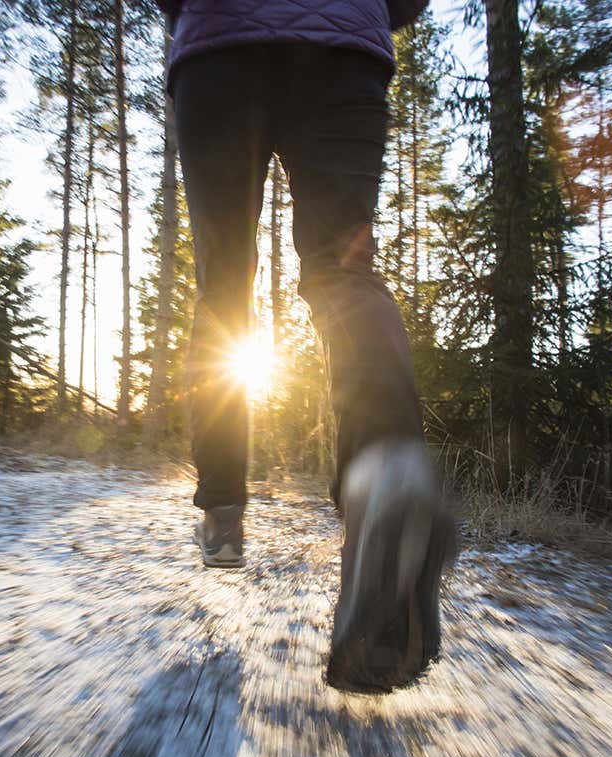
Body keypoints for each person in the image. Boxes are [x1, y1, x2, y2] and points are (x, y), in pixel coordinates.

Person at [157, 0, 457, 691]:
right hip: (343, 54)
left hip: (219, 46)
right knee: (342, 271)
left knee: (223, 288)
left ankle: (222, 512)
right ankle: (388, 470)